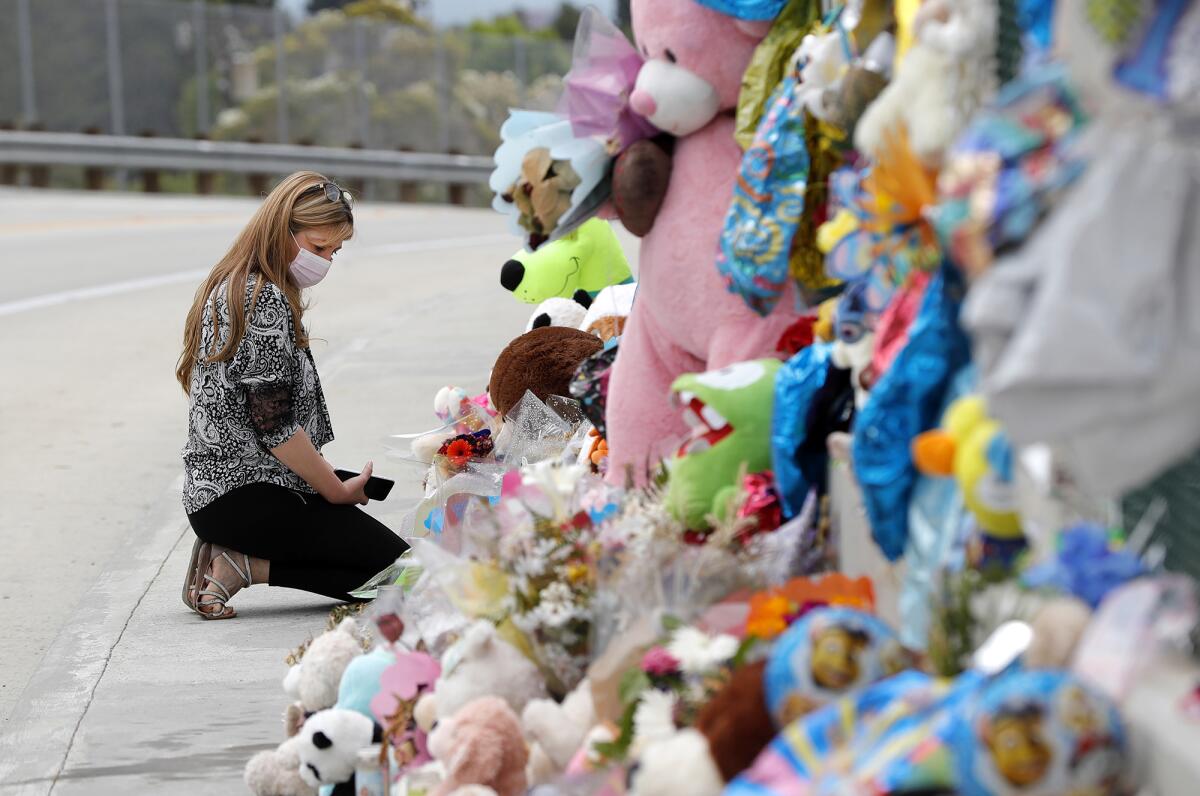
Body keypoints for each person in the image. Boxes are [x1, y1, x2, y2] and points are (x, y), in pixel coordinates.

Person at [176, 171, 406, 619]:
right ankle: (243, 565)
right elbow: (276, 427)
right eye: (318, 247)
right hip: (243, 496)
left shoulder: (235, 282)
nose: (325, 261)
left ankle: (243, 562)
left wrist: (331, 481)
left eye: (334, 252)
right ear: (282, 231)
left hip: (230, 488)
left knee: (386, 551)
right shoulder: (263, 299)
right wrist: (335, 493)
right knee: (407, 578)